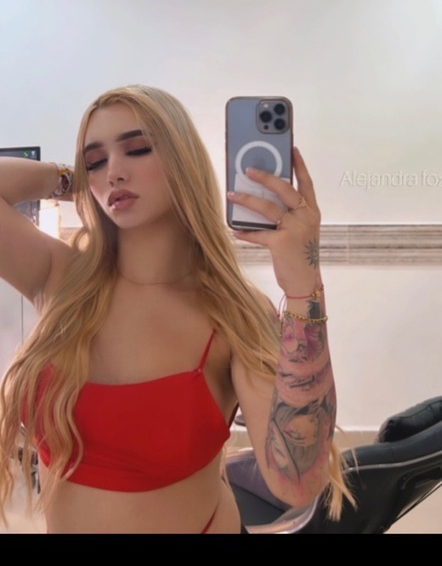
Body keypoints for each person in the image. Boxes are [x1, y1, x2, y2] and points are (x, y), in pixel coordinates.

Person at [0, 85, 350, 534]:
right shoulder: (61, 277)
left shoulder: (234, 312)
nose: (114, 172)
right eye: (96, 161)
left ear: (183, 161)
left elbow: (298, 481)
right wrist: (72, 179)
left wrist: (303, 289)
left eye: (138, 149)